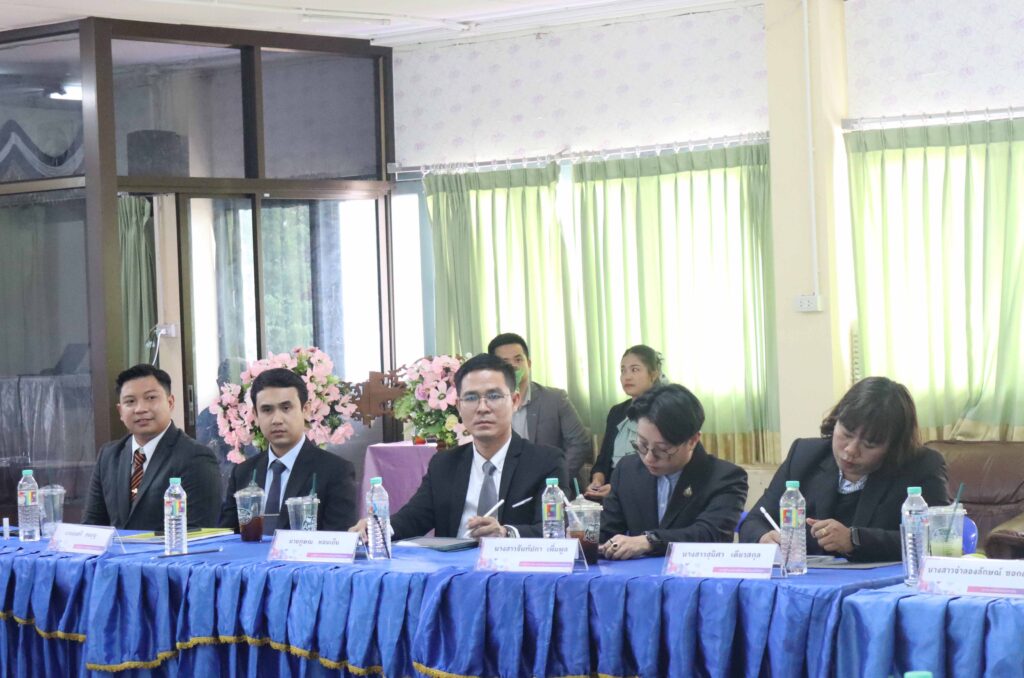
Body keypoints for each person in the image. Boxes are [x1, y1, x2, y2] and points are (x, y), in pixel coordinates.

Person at [350, 353, 568, 541]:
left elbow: (553, 530)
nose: (482, 408)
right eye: (471, 398)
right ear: (459, 406)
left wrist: (506, 533)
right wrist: (378, 528)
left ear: (515, 401)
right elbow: (414, 518)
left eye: (493, 396)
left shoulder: (545, 462)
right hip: (454, 572)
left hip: (514, 571)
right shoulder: (444, 464)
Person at [738, 376, 950, 562]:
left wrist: (854, 540)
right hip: (808, 583)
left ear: (893, 446)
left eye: (869, 444)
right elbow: (754, 521)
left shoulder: (922, 467)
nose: (850, 450)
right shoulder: (804, 455)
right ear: (835, 421)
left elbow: (937, 540)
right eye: (846, 434)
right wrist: (763, 537)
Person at [599, 384, 748, 559]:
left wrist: (649, 541)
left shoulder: (725, 478)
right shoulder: (627, 470)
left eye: (662, 449)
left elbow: (710, 534)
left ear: (692, 441)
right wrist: (583, 533)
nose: (649, 458)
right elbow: (607, 532)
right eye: (642, 444)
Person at [83, 364, 222, 530]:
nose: (140, 409)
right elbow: (91, 526)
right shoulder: (109, 456)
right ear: (120, 411)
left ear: (170, 402)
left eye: (150, 398)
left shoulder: (196, 458)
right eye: (130, 401)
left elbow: (198, 532)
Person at [219, 368, 357, 533]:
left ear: (305, 410)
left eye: (286, 408)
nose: (277, 420)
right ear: (255, 415)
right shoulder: (243, 473)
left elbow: (339, 540)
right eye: (267, 410)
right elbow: (225, 537)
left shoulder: (336, 471)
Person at [487, 332, 591, 490]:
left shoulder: (555, 399)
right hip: (504, 488)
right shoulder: (486, 405)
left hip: (551, 487)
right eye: (505, 362)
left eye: (518, 359)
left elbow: (580, 443)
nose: (513, 366)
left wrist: (554, 478)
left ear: (528, 364)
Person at [586, 345, 663, 500]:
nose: (627, 377)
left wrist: (618, 488)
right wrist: (597, 480)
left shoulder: (663, 410)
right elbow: (603, 459)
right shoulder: (617, 412)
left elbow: (661, 465)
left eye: (635, 370)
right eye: (623, 370)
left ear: (653, 375)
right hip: (611, 492)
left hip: (646, 493)